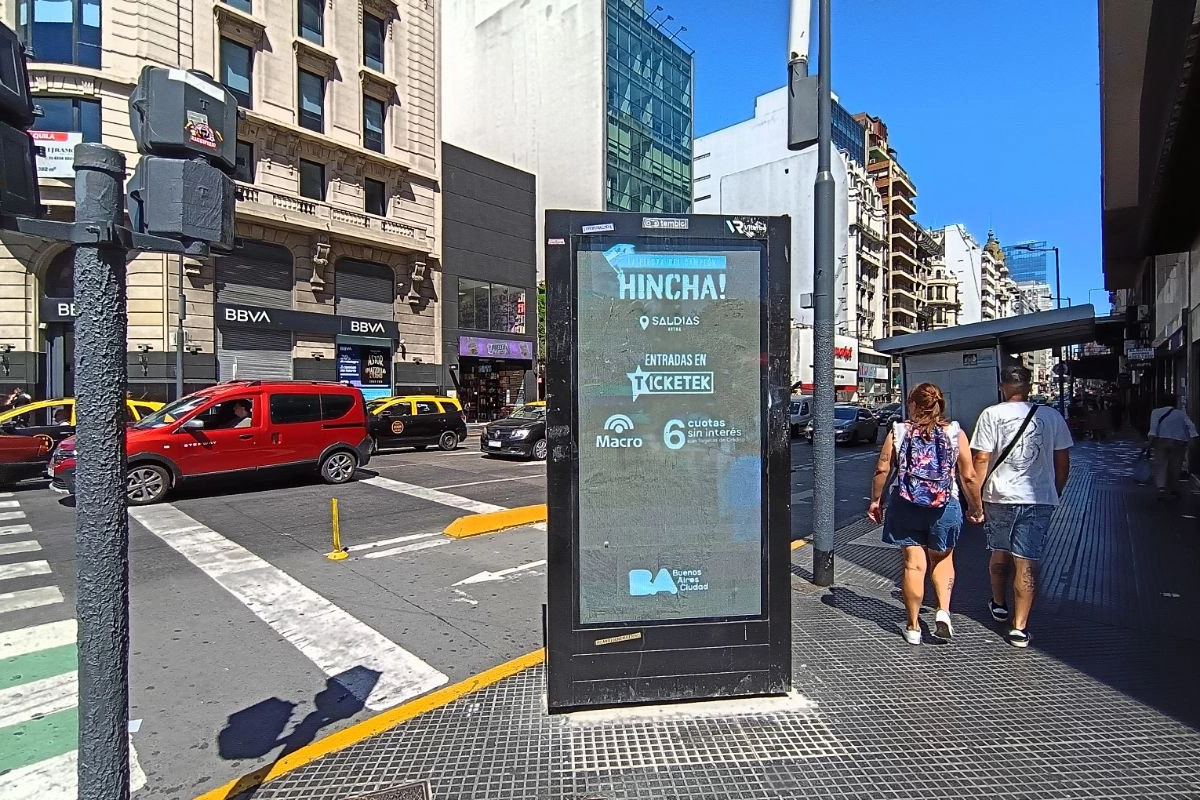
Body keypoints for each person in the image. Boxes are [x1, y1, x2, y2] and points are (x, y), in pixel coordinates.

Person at [868, 383, 984, 646]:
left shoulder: (899, 432)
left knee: (913, 565)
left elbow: (882, 469)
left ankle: (913, 627)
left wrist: (876, 501)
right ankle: (943, 611)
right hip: (944, 505)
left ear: (913, 404)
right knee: (942, 560)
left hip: (906, 505)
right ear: (939, 405)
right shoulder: (955, 433)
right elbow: (968, 476)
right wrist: (976, 508)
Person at [971, 365, 1073, 649]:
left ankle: (999, 603)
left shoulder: (991, 414)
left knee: (999, 551)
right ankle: (1019, 627)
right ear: (1029, 387)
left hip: (999, 496)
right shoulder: (1052, 416)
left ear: (1002, 387)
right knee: (1026, 561)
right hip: (1038, 498)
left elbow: (981, 459)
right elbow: (1063, 462)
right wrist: (1055, 490)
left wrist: (975, 500)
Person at [1148, 393, 1198, 500]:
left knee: (1161, 465)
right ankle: (1174, 489)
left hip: (1161, 441)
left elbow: (1153, 429)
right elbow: (1191, 426)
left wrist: (1149, 442)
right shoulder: (1181, 414)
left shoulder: (1156, 412)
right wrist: (1192, 439)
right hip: (1179, 443)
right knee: (1175, 466)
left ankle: (1161, 488)